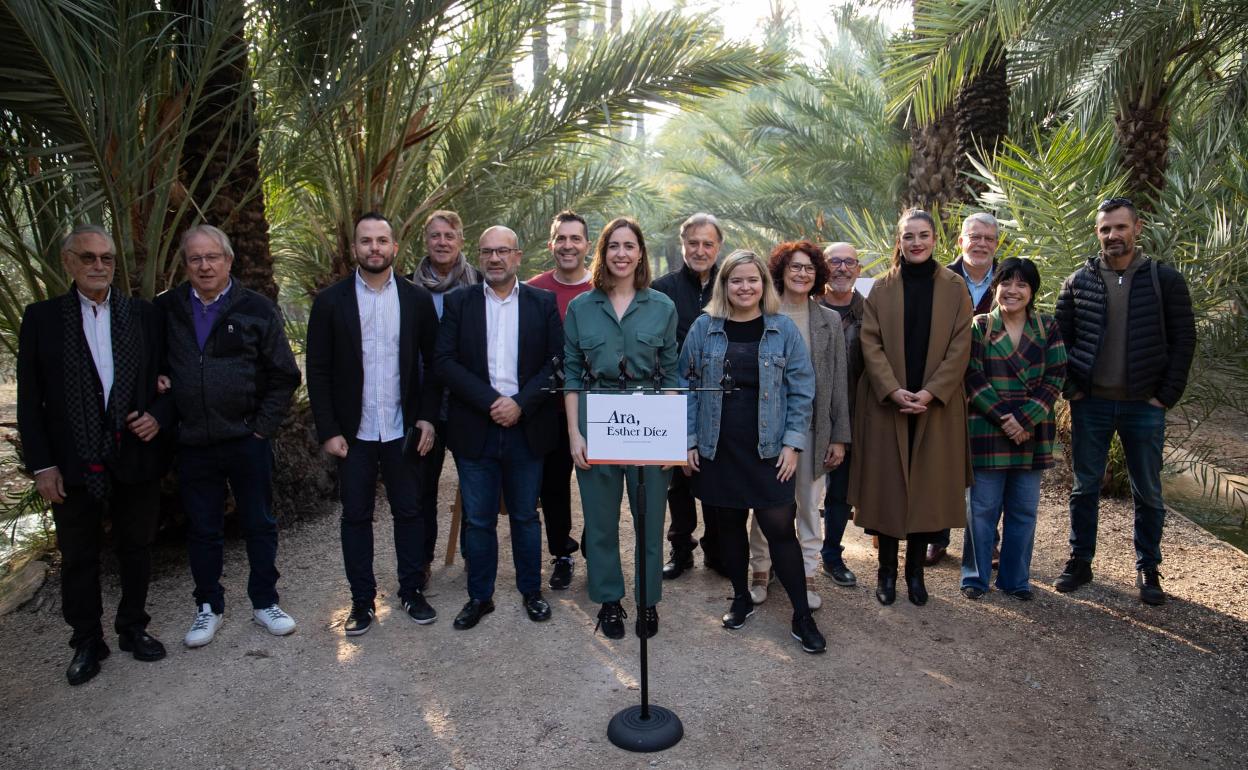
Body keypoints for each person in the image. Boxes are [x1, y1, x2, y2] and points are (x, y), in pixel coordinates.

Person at [17, 225, 173, 684]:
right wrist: (42, 465)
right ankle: (87, 641)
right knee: (79, 555)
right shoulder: (43, 319)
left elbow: (169, 378)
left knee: (136, 547)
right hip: (72, 461)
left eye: (106, 258)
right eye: (88, 258)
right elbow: (31, 401)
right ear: (69, 262)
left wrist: (158, 415)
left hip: (134, 454)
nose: (99, 266)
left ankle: (133, 628)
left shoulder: (142, 315)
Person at [157, 224, 301, 647]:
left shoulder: (256, 308)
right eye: (195, 259)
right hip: (193, 442)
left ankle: (265, 602)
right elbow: (149, 363)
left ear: (229, 261)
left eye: (212, 257)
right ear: (185, 265)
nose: (204, 266)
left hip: (246, 440)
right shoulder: (167, 310)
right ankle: (208, 607)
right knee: (203, 528)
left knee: (259, 522)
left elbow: (284, 375)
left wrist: (261, 429)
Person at [680, 249, 825, 653]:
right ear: (724, 285)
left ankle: (802, 616)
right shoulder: (704, 328)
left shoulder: (781, 330)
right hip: (717, 446)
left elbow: (802, 390)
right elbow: (687, 385)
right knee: (727, 527)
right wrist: (689, 440)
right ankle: (741, 597)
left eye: (752, 279)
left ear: (764, 284)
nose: (745, 287)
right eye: (736, 280)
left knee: (780, 529)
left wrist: (793, 444)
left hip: (768, 449)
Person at [1054, 197, 1195, 605]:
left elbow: (1184, 340)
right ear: (1097, 233)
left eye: (1119, 227)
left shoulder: (1164, 280)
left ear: (1138, 228)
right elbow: (1059, 339)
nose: (1112, 235)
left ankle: (1148, 567)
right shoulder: (1079, 281)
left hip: (1143, 407)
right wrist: (1072, 388)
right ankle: (1080, 561)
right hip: (1091, 403)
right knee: (1084, 488)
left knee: (1148, 490)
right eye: (1105, 229)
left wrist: (1164, 396)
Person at [305, 213, 441, 636]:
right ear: (355, 249)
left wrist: (427, 417)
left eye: (382, 241)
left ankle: (411, 592)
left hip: (402, 430)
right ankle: (362, 602)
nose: (375, 248)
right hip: (354, 434)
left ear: (395, 248)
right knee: (356, 517)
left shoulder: (416, 300)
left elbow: (435, 364)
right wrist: (328, 430)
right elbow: (319, 369)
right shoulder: (331, 302)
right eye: (367, 241)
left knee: (410, 512)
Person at [436, 225, 562, 629]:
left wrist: (520, 404)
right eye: (487, 251)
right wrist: (493, 402)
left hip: (527, 426)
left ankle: (531, 592)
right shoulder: (460, 303)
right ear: (479, 256)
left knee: (525, 516)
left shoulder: (543, 303)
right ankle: (480, 597)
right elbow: (445, 362)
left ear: (518, 257)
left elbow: (556, 364)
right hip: (476, 426)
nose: (495, 258)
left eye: (503, 251)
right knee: (478, 519)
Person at [849, 209, 973, 607]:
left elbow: (960, 347)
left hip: (936, 407)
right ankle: (886, 572)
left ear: (935, 240)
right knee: (886, 490)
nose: (916, 243)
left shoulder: (955, 288)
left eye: (923, 235)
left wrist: (932, 392)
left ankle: (915, 573)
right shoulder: (881, 289)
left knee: (927, 489)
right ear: (898, 242)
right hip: (889, 406)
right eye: (908, 236)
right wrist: (893, 389)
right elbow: (871, 343)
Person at [564, 217, 678, 640]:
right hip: (596, 419)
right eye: (614, 246)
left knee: (648, 518)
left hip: (649, 419)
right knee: (600, 520)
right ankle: (610, 602)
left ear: (641, 253)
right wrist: (576, 434)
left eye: (630, 246)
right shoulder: (581, 307)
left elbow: (670, 375)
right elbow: (572, 375)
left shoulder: (662, 307)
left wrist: (669, 438)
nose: (622, 254)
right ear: (603, 252)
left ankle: (647, 602)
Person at [747, 242, 849, 612]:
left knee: (808, 504)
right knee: (767, 502)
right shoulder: (761, 316)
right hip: (767, 429)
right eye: (794, 267)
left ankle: (806, 575)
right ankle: (761, 569)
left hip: (813, 428)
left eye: (808, 268)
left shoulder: (829, 320)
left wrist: (839, 436)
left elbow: (838, 381)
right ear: (781, 271)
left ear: (817, 273)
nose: (802, 273)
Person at [962, 258, 1067, 600]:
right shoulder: (979, 326)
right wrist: (1006, 418)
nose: (1013, 290)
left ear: (1032, 291)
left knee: (1023, 510)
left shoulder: (1047, 326)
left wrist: (1024, 419)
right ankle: (975, 578)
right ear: (995, 286)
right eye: (1006, 282)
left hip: (1032, 432)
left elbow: (1056, 377)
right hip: (989, 429)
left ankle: (1015, 579)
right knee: (982, 509)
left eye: (1022, 284)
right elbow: (971, 377)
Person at [408, 210, 482, 577]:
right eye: (435, 236)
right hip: (424, 404)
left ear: (461, 241)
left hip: (468, 402)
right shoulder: (406, 288)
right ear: (427, 241)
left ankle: (474, 554)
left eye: (449, 236)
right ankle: (421, 560)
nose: (442, 242)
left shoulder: (482, 284)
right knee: (422, 487)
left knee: (472, 484)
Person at [652, 212, 723, 579]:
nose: (700, 250)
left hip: (718, 398)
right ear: (683, 245)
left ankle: (716, 547)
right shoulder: (661, 289)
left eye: (707, 243)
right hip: (672, 395)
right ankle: (681, 548)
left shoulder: (731, 284)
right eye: (693, 243)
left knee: (713, 473)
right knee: (676, 480)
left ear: (718, 247)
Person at [929, 212, 1001, 566]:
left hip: (992, 387)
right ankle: (936, 537)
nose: (981, 243)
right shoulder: (939, 277)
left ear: (997, 244)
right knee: (942, 462)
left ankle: (989, 540)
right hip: (945, 383)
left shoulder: (1009, 279)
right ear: (961, 241)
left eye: (989, 238)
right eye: (975, 237)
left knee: (986, 468)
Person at [527, 210, 594, 589]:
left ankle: (593, 544)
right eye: (561, 239)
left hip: (596, 406)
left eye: (575, 239)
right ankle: (561, 552)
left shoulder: (599, 289)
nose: (568, 246)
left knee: (598, 482)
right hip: (546, 408)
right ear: (551, 244)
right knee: (552, 487)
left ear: (587, 244)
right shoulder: (532, 289)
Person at [818, 242, 864, 587]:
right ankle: (784, 555)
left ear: (858, 270)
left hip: (852, 415)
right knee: (792, 492)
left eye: (849, 262)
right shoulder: (805, 308)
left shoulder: (871, 313)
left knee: (840, 492)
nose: (842, 268)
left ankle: (831, 554)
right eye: (834, 261)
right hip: (807, 413)